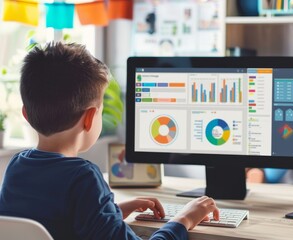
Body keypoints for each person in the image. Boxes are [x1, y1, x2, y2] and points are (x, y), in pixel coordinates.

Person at [0, 42, 219, 239]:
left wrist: (112, 212)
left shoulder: (17, 167)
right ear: (90, 118)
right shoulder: (83, 177)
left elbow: (60, 222)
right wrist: (184, 219)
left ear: (26, 115)